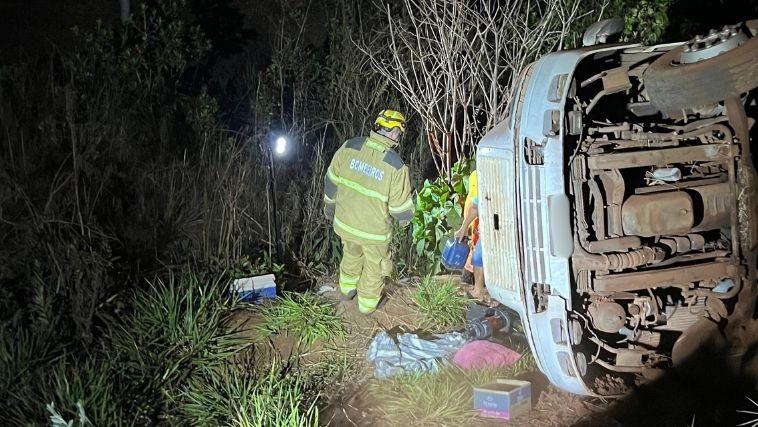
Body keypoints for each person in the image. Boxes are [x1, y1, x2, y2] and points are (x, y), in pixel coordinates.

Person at [323, 110, 414, 314]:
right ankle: (366, 305)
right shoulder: (397, 167)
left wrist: (329, 205)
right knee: (375, 266)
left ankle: (347, 290)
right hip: (374, 233)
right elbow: (400, 209)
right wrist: (406, 220)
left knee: (351, 253)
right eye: (398, 133)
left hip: (345, 223)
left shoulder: (349, 146)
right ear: (393, 133)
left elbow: (331, 180)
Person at [455, 170, 488, 303]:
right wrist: (463, 228)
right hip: (486, 228)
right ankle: (478, 291)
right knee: (478, 256)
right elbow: (474, 206)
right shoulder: (481, 179)